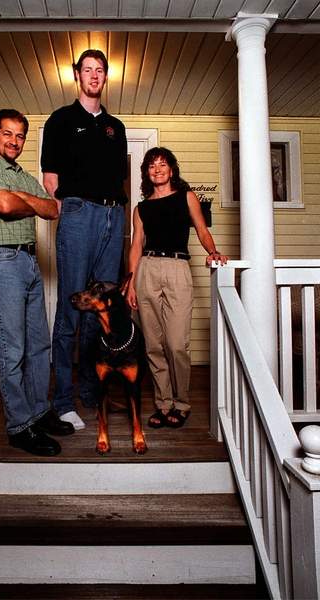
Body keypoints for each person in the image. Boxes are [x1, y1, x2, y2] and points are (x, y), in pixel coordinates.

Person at [0, 109, 74, 457]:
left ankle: (38, 413)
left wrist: (21, 199)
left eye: (20, 136)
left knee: (39, 346)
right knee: (11, 350)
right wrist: (28, 201)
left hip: (28, 262)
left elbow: (53, 209)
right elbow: (2, 203)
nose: (13, 141)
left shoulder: (24, 176)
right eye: (7, 134)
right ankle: (19, 427)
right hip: (0, 261)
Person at [41, 49, 128, 430]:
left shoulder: (116, 126)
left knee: (101, 305)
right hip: (79, 215)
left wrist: (117, 215)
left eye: (100, 70)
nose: (94, 75)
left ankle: (91, 391)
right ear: (77, 75)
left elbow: (120, 178)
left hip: (114, 215)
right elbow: (51, 179)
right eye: (87, 70)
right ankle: (63, 400)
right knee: (72, 307)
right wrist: (71, 213)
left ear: (106, 77)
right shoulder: (61, 120)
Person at [126, 147, 228, 429]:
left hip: (178, 268)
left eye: (162, 164)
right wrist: (131, 283)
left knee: (176, 344)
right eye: (152, 166)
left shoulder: (187, 197)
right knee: (154, 345)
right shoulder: (141, 208)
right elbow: (136, 246)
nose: (157, 169)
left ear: (171, 169)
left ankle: (181, 402)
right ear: (147, 172)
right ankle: (163, 404)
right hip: (147, 269)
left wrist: (214, 250)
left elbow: (202, 230)